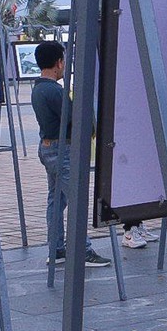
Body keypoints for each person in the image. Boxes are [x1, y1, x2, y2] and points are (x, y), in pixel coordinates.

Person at [31, 42, 108, 268]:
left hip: (48, 148)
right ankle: (83, 251)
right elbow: (78, 120)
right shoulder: (55, 91)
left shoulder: (38, 88)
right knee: (76, 199)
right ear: (59, 62)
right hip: (62, 150)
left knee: (56, 201)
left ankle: (57, 249)